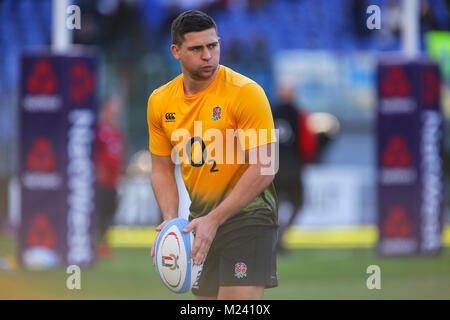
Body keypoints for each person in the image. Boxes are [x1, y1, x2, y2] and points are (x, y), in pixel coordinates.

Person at [148, 10, 278, 300]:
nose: (207, 55)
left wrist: (215, 219)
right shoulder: (159, 101)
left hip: (249, 217)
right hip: (199, 219)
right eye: (196, 49)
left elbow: (266, 166)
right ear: (176, 51)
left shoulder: (247, 93)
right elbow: (161, 168)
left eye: (213, 46)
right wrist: (170, 221)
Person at [272, 83, 317, 254]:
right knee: (298, 203)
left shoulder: (268, 112)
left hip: (272, 169)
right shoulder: (300, 115)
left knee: (272, 207)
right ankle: (281, 236)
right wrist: (308, 159)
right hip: (292, 168)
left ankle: (274, 238)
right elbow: (307, 143)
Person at [95, 96, 125, 259]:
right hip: (101, 182)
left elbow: (119, 155)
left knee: (110, 214)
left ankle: (102, 244)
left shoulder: (117, 132)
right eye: (113, 108)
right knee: (100, 214)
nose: (116, 112)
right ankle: (98, 245)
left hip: (113, 182)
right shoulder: (98, 131)